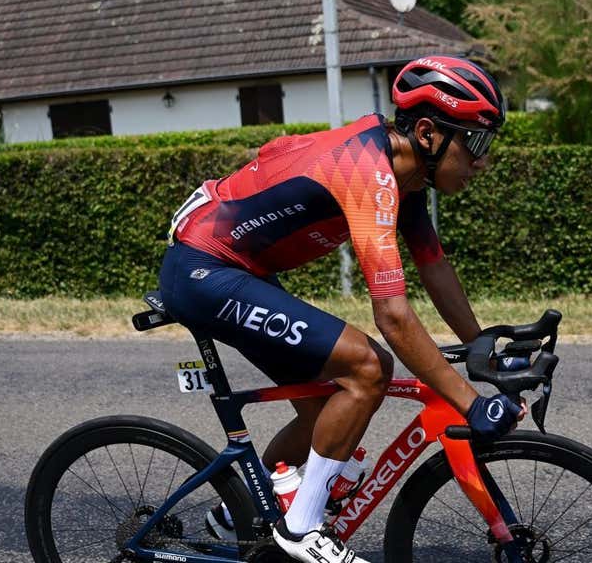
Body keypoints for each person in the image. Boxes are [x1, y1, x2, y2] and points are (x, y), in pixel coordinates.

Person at [158, 55, 523, 563]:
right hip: (204, 271)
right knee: (368, 366)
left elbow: (434, 266)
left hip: (241, 269)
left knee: (324, 408)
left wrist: (482, 346)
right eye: (476, 142)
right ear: (427, 132)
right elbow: (393, 318)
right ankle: (301, 529)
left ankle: (234, 522)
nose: (482, 161)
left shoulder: (407, 174)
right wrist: (469, 401)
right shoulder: (367, 173)